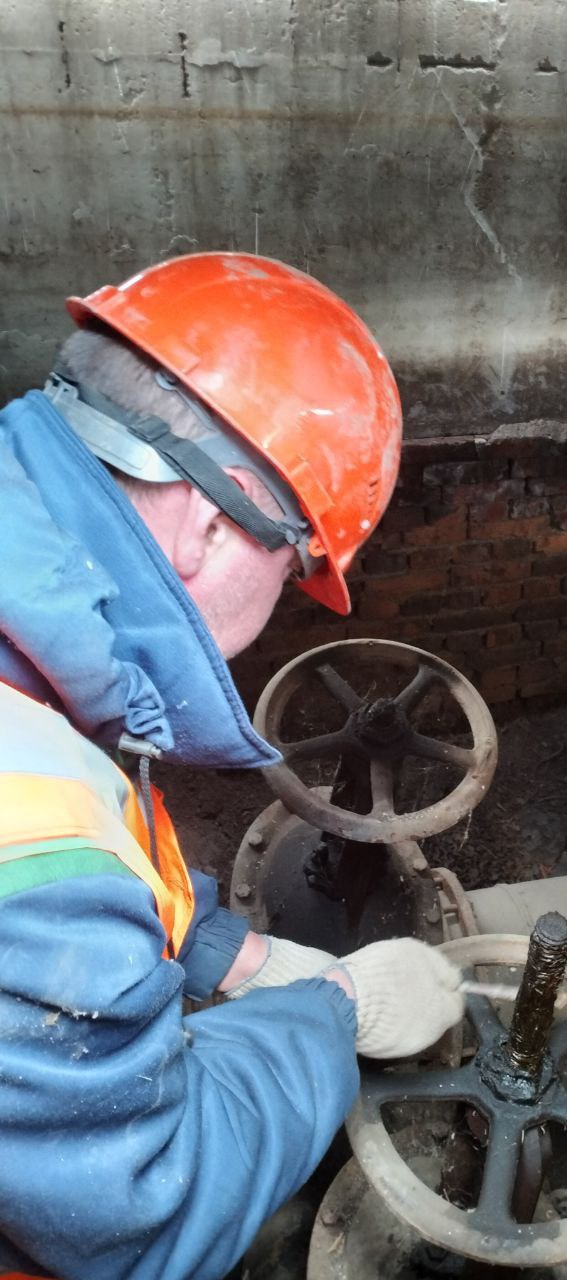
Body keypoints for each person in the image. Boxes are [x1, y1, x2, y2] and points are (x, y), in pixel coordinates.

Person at [0, 252, 465, 1280]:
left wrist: (233, 955)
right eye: (297, 568)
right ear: (216, 520)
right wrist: (336, 1010)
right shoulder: (27, 846)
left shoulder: (35, 674)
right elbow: (149, 1218)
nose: (282, 602)